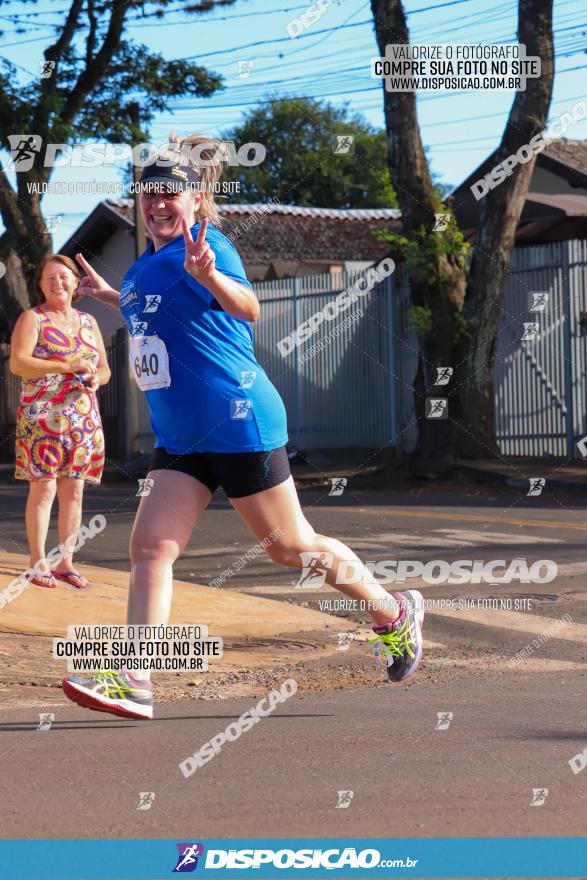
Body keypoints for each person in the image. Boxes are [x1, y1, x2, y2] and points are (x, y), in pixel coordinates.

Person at [62, 135, 424, 720]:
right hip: (180, 440)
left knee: (292, 549)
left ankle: (392, 611)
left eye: (169, 195)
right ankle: (136, 678)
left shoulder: (210, 248)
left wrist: (209, 275)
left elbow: (246, 308)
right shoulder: (142, 267)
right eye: (148, 194)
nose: (157, 204)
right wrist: (111, 295)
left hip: (239, 424)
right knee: (150, 547)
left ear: (196, 198)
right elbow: (154, 315)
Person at [10, 254, 110, 589]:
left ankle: (66, 562)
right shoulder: (32, 319)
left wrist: (97, 378)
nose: (58, 283)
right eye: (50, 278)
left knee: (75, 491)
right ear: (40, 285)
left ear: (76, 282)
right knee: (44, 488)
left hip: (83, 419)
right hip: (42, 420)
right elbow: (19, 364)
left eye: (64, 276)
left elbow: (105, 369)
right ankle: (38, 562)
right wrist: (65, 365)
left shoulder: (88, 322)